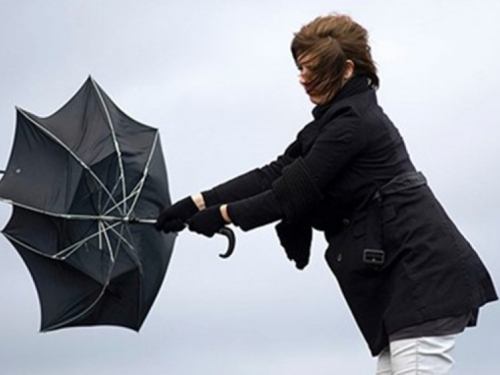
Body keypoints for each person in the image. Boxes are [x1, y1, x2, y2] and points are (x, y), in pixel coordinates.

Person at [155, 14, 497, 374]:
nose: (302, 78)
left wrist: (221, 215)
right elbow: (272, 174)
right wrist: (196, 203)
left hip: (423, 281)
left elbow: (286, 195)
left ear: (347, 69)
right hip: (404, 290)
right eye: (300, 67)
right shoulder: (331, 123)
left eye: (311, 68)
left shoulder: (353, 125)